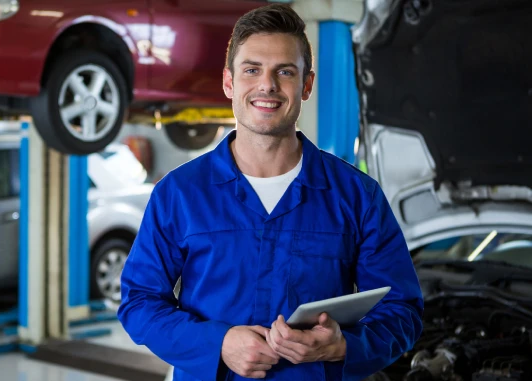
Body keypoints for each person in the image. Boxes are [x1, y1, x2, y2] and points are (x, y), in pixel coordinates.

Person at [117, 4, 424, 381]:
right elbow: (139, 303)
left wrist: (342, 346)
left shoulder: (357, 196)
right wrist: (219, 343)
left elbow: (402, 310)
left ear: (307, 85)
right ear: (229, 82)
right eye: (251, 70)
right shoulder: (178, 195)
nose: (267, 85)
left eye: (285, 71)